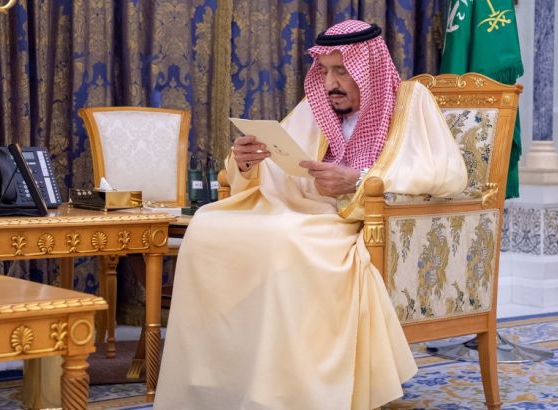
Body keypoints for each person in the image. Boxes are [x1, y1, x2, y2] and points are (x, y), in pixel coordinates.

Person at [154, 20, 468, 409]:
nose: (330, 83)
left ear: (368, 69)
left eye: (342, 71)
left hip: (359, 222)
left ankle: (289, 393)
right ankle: (221, 385)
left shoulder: (411, 102)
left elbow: (446, 174)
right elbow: (285, 166)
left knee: (284, 238)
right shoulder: (315, 107)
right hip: (309, 212)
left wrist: (358, 180)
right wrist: (247, 163)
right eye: (324, 71)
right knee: (208, 225)